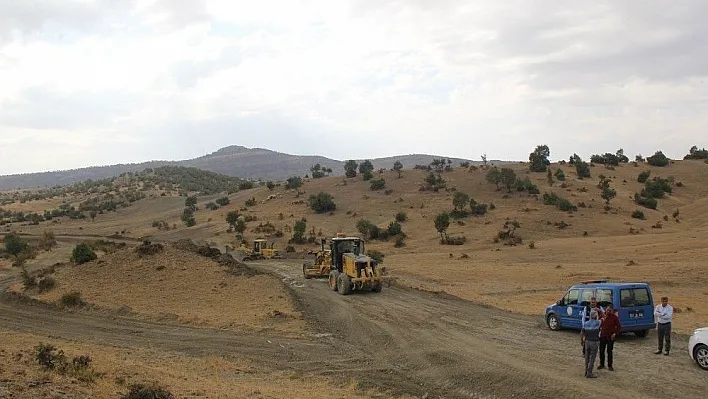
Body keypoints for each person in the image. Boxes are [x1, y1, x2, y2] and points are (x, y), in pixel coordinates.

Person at [598, 304, 621, 371]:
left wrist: (615, 334)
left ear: (612, 311)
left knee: (609, 351)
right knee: (601, 350)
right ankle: (602, 364)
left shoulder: (614, 317)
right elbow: (597, 324)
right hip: (602, 336)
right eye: (607, 310)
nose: (608, 311)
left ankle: (610, 365)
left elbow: (619, 326)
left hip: (610, 337)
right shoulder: (602, 316)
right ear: (606, 309)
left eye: (610, 310)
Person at [581, 310, 602, 378]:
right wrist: (600, 311)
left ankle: (586, 371)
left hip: (587, 341)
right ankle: (589, 373)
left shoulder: (586, 323)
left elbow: (582, 333)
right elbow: (604, 317)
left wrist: (582, 340)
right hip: (594, 342)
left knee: (587, 357)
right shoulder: (597, 323)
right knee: (592, 358)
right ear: (596, 317)